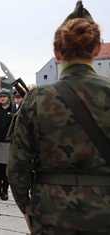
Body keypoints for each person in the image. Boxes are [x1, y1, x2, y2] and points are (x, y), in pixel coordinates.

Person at [8, 1, 110, 234]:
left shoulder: (37, 99)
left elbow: (17, 168)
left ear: (56, 52)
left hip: (52, 214)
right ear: (96, 49)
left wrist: (28, 210)